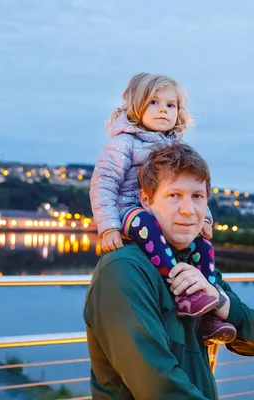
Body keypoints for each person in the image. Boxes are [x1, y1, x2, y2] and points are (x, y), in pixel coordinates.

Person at [84, 144, 254, 399]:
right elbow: (159, 386)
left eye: (197, 196)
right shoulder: (123, 271)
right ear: (146, 200)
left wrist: (217, 298)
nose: (188, 210)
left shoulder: (195, 263)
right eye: (174, 195)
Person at [90, 72, 234, 342]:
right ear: (137, 105)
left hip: (159, 217)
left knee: (202, 245)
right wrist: (108, 225)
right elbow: (104, 185)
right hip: (129, 212)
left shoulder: (177, 147)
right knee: (145, 222)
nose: (163, 111)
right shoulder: (123, 144)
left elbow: (193, 188)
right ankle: (181, 289)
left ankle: (208, 308)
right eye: (154, 103)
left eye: (171, 105)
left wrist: (204, 220)